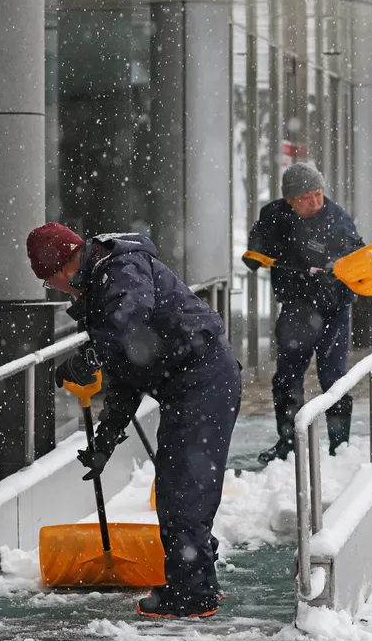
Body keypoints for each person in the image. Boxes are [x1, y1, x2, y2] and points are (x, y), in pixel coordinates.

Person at [26, 224, 241, 619]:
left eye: (49, 280)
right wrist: (104, 444)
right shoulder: (99, 292)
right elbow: (128, 373)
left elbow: (131, 328)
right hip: (189, 385)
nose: (55, 288)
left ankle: (192, 596)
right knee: (182, 487)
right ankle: (199, 584)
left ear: (59, 268)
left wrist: (89, 357)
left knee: (182, 491)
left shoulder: (121, 267)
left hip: (204, 380)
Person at [244, 162, 365, 462]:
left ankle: (340, 448)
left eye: (318, 193)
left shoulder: (337, 222)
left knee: (333, 378)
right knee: (286, 378)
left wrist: (334, 268)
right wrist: (256, 251)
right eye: (306, 196)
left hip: (333, 309)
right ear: (290, 200)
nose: (315, 201)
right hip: (297, 307)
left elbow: (356, 257)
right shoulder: (275, 214)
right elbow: (260, 236)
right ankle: (287, 444)